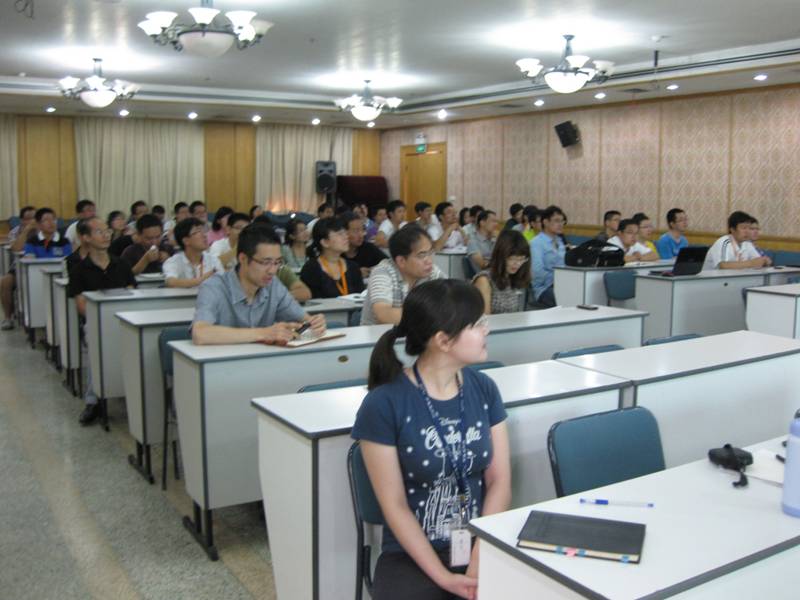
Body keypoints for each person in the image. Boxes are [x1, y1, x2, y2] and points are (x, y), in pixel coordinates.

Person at [352, 279, 510, 600]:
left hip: (480, 540)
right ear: (443, 340)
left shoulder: (484, 389)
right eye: (476, 324)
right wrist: (444, 578)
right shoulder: (384, 403)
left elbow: (500, 481)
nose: (487, 330)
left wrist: (480, 553)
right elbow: (394, 505)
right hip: (411, 553)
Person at [191, 224, 326, 345]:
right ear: (243, 259)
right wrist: (263, 333)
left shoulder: (273, 286)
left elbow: (303, 319)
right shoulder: (213, 287)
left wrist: (314, 323)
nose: (272, 270)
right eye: (265, 262)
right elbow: (200, 333)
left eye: (277, 262)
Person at [69, 217, 136, 425]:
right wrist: (104, 317)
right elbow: (81, 306)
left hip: (125, 319)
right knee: (96, 339)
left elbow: (132, 294)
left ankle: (133, 392)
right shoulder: (79, 269)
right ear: (86, 238)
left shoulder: (121, 263)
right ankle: (93, 400)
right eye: (99, 232)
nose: (106, 235)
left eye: (107, 231)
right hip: (95, 322)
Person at [361, 225, 444, 326]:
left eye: (430, 252)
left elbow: (452, 297)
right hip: (379, 335)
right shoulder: (383, 272)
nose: (429, 260)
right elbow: (384, 315)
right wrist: (430, 315)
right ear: (401, 261)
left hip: (416, 333)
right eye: (422, 255)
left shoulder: (430, 271)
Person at [300, 217, 364, 298]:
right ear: (325, 242)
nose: (346, 237)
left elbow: (361, 298)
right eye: (340, 234)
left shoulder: (353, 267)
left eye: (345, 233)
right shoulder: (311, 269)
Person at [473, 230, 530, 314]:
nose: (517, 264)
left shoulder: (511, 277)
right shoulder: (484, 280)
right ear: (500, 256)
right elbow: (484, 318)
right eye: (512, 259)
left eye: (521, 259)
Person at [163, 217, 223, 287]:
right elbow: (171, 282)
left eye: (204, 231)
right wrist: (200, 280)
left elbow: (223, 283)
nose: (204, 235)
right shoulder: (173, 262)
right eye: (198, 232)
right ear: (186, 241)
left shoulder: (213, 260)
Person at [704, 211, 771, 271]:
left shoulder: (747, 243)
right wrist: (751, 263)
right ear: (732, 229)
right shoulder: (724, 242)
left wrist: (764, 261)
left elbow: (757, 260)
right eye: (744, 228)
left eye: (749, 228)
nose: (747, 231)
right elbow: (723, 266)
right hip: (712, 279)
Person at [531, 205, 567, 308]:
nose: (560, 224)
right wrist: (558, 280)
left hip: (562, 284)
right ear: (546, 222)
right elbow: (537, 272)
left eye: (562, 221)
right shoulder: (537, 242)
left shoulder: (560, 242)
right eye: (556, 221)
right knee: (566, 299)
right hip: (544, 288)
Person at [342, 211, 386, 277]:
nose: (361, 235)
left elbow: (387, 264)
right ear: (343, 232)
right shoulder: (337, 253)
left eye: (362, 230)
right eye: (356, 231)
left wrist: (373, 270)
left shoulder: (368, 248)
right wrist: (355, 273)